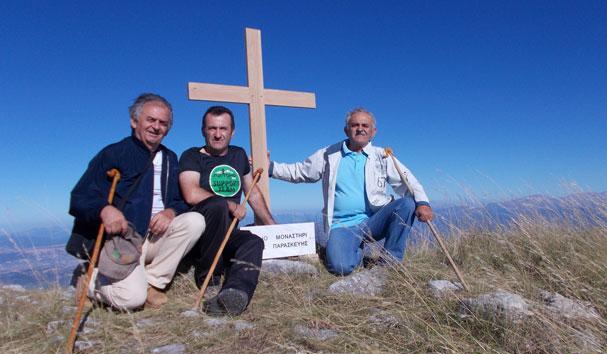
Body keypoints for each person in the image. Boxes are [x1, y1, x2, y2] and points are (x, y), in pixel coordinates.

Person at [68, 93, 205, 310]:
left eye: (163, 123)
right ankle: (88, 279)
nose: (156, 127)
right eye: (150, 120)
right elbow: (80, 197)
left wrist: (170, 212)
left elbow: (179, 201)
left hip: (155, 236)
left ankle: (152, 282)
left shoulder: (170, 158)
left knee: (195, 221)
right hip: (124, 240)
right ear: (134, 121)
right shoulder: (114, 154)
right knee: (131, 300)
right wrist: (105, 210)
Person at [270, 107, 433, 275]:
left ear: (373, 132)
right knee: (340, 267)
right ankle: (355, 251)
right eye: (355, 125)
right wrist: (270, 167)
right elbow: (300, 171)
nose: (360, 129)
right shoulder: (329, 154)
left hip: (374, 220)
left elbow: (408, 181)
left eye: (365, 125)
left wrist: (423, 203)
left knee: (407, 204)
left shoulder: (382, 156)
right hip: (342, 225)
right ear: (346, 130)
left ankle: (389, 262)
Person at [179, 105, 275, 316]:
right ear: (203, 130)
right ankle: (209, 279)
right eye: (212, 128)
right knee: (218, 205)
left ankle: (236, 292)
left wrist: (273, 227)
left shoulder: (238, 155)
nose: (217, 134)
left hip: (228, 232)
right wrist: (230, 204)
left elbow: (253, 193)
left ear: (232, 131)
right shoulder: (191, 156)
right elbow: (191, 193)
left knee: (253, 242)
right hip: (201, 237)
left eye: (223, 128)